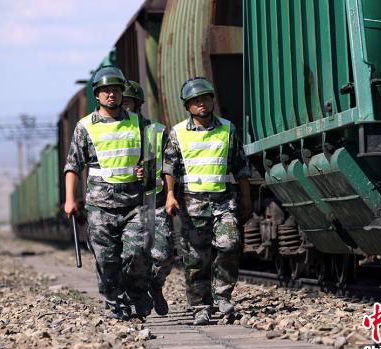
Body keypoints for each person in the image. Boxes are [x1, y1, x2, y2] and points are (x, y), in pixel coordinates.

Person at [63, 66, 152, 320]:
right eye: (105, 91)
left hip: (134, 202)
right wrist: (70, 199)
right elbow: (72, 165)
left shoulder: (138, 123)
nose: (110, 95)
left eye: (115, 90)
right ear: (97, 95)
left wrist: (145, 171)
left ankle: (136, 292)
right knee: (106, 259)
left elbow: (153, 157)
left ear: (122, 92)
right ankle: (114, 301)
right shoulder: (85, 127)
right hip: (100, 205)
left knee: (136, 252)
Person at [163, 77, 251, 325]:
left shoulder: (228, 129)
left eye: (205, 98)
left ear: (213, 100)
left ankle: (222, 295)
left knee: (230, 245)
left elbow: (240, 166)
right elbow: (169, 168)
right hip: (192, 204)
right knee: (195, 258)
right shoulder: (178, 133)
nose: (201, 103)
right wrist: (170, 195)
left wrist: (246, 198)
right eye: (195, 101)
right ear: (188, 106)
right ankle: (200, 306)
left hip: (224, 202)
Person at [123, 80, 172, 316]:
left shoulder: (155, 132)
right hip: (126, 205)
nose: (125, 107)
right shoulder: (113, 134)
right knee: (133, 255)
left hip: (156, 202)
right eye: (122, 103)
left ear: (138, 104)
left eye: (129, 103)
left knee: (162, 255)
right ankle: (136, 295)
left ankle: (156, 285)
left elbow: (171, 165)